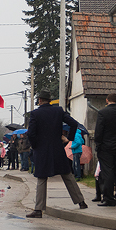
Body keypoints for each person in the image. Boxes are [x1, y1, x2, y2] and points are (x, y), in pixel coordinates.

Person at [25, 90, 88, 218]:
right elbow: (73, 123)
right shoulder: (58, 111)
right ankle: (81, 202)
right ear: (49, 100)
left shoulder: (35, 114)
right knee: (67, 175)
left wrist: (35, 145)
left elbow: (31, 133)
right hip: (57, 148)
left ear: (40, 100)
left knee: (42, 178)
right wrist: (68, 139)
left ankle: (38, 209)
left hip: (42, 150)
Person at [95, 92, 116, 206]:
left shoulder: (102, 113)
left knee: (107, 172)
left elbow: (99, 131)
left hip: (106, 147)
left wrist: (98, 144)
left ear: (107, 100)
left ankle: (108, 198)